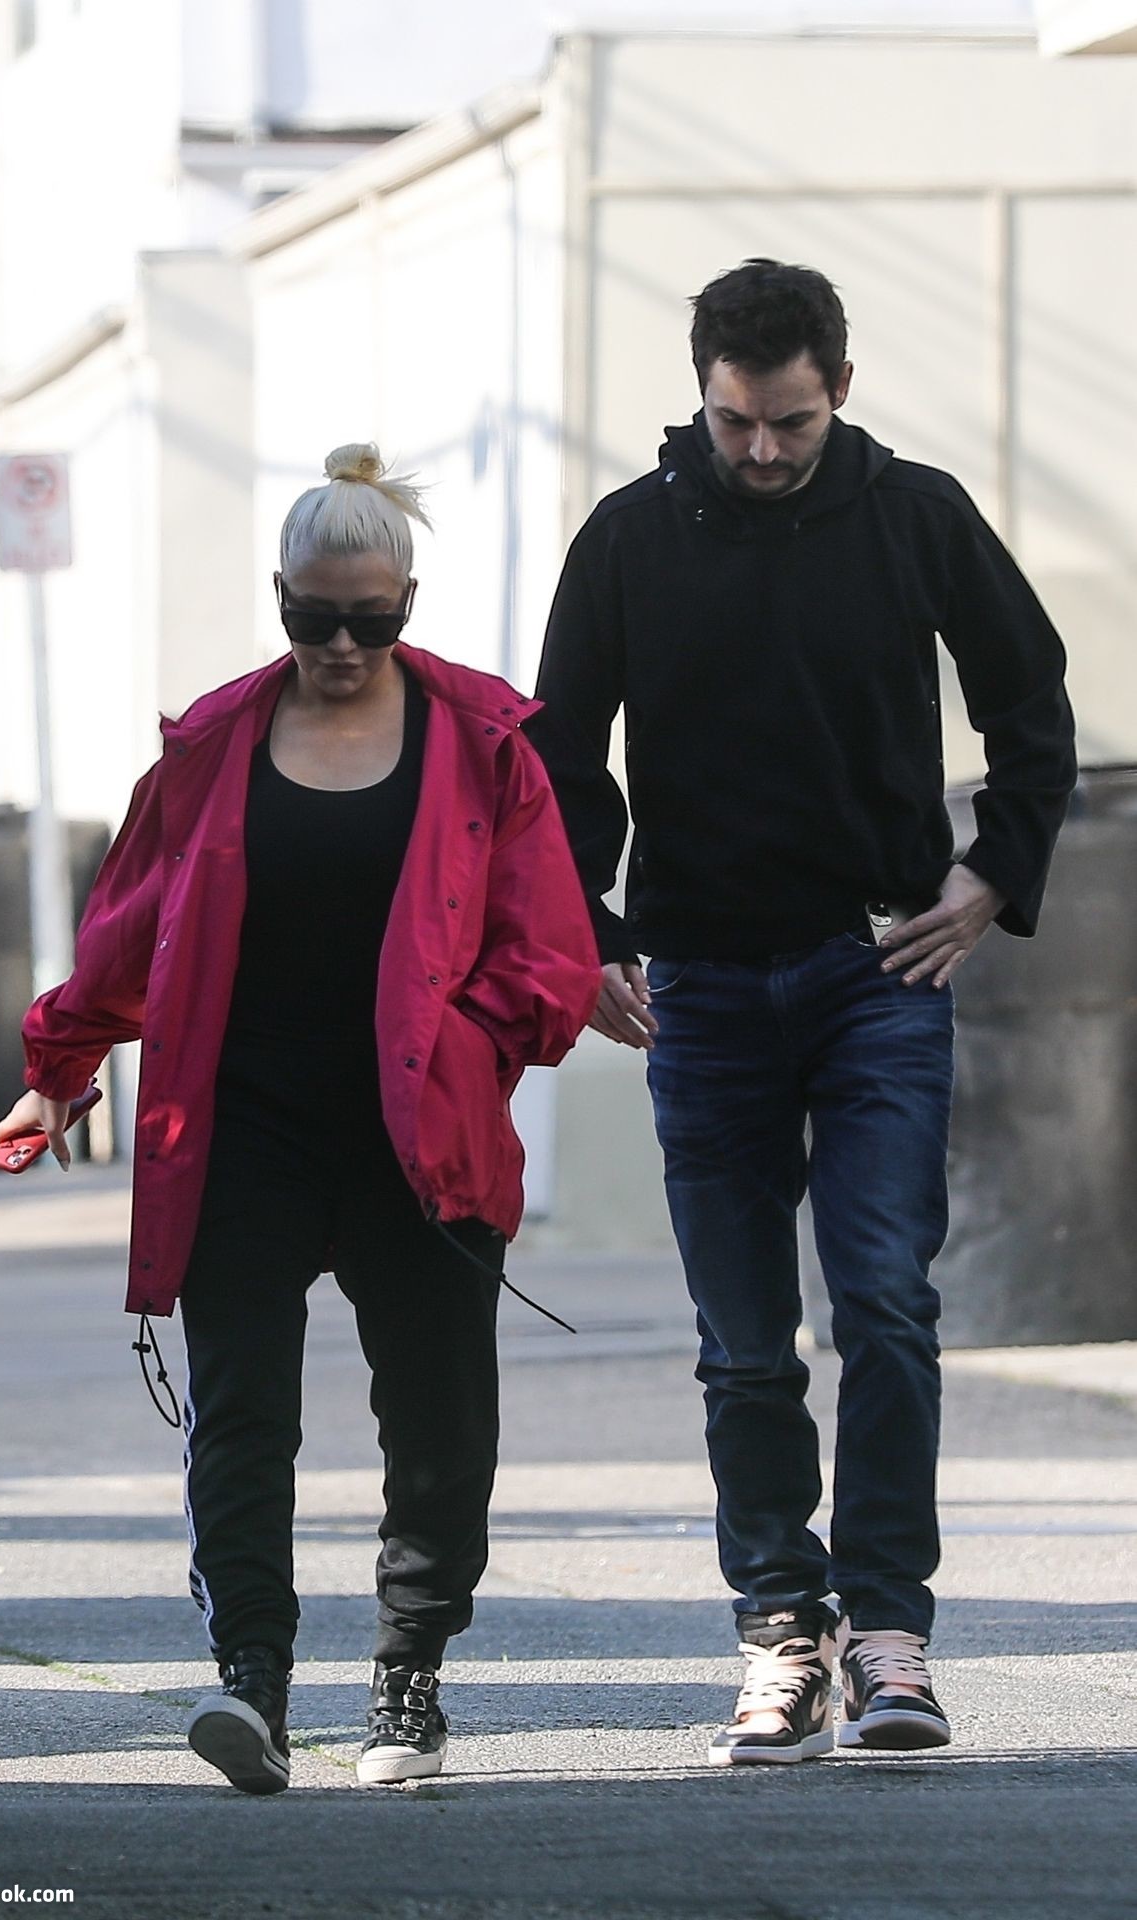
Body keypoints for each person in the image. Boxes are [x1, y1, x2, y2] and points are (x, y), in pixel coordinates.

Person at [528, 260, 1076, 1764]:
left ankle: (888, 1636)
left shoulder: (915, 516)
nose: (762, 451)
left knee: (885, 1302)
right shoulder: (630, 538)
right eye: (735, 422)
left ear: (840, 387)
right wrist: (589, 933)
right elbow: (557, 754)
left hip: (876, 968)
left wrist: (991, 875)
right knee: (743, 1340)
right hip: (702, 986)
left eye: (790, 422)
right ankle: (780, 1631)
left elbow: (1029, 698)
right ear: (701, 394)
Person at [0, 445, 599, 1794]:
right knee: (241, 1412)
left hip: (417, 1132)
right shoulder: (213, 746)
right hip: (241, 1125)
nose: (338, 646)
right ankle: (250, 1680)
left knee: (437, 1419)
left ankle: (409, 1674)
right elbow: (130, 923)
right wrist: (60, 1062)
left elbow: (547, 949)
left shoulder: (482, 745)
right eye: (311, 616)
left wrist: (469, 1041)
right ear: (278, 595)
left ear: (407, 604)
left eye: (368, 620)